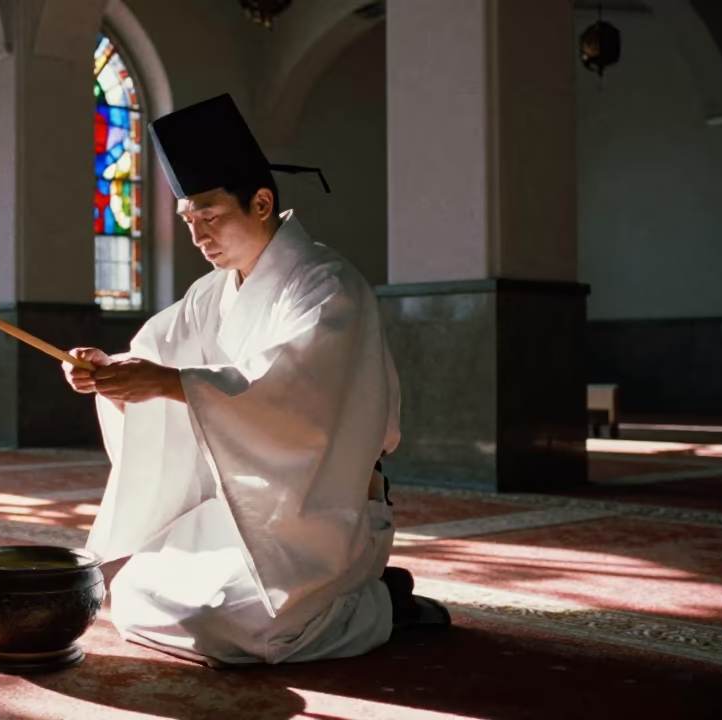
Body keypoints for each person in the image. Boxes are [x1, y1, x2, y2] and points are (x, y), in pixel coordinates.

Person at [63, 94, 448, 668]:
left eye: (211, 217)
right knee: (136, 595)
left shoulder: (329, 285)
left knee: (238, 629)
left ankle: (377, 600)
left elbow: (292, 393)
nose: (198, 237)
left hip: (321, 508)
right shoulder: (210, 293)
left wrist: (169, 383)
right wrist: (107, 370)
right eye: (190, 221)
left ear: (262, 202)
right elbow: (157, 355)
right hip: (243, 504)